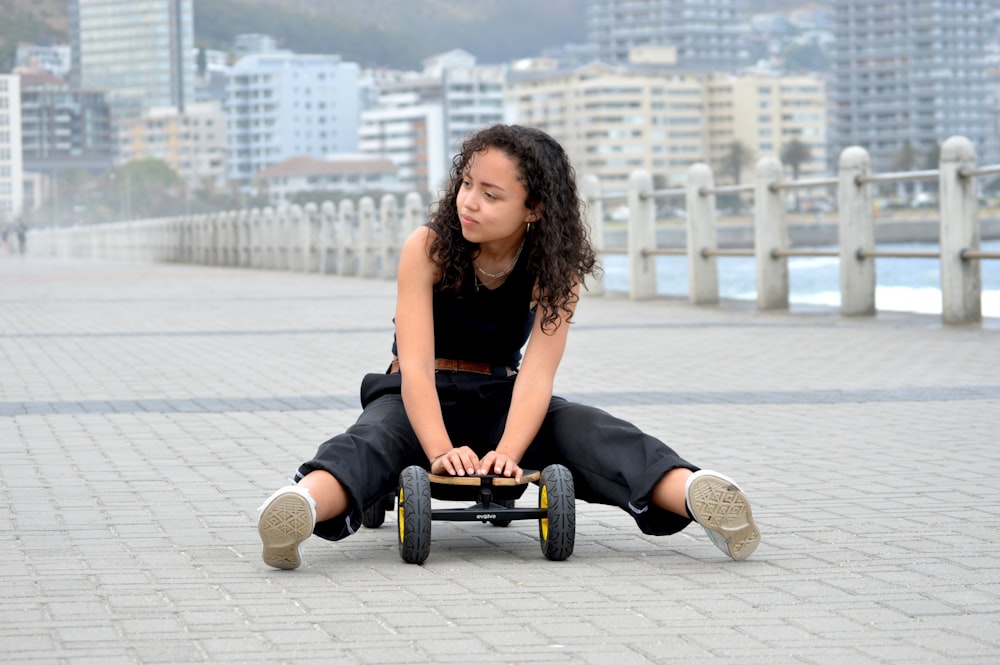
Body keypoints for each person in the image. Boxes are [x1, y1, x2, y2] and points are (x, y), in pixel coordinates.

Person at [257, 124, 760, 570]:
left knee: (593, 431)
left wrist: (507, 454)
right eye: (467, 185)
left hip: (501, 396)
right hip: (417, 395)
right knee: (370, 444)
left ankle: (698, 496)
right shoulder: (427, 247)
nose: (469, 202)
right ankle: (298, 511)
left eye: (491, 195)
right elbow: (413, 364)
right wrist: (437, 450)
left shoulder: (553, 271)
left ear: (534, 209)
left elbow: (538, 375)